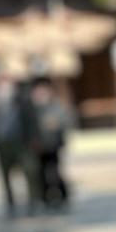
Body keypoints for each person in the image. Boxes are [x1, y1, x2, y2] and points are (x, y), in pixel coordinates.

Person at [0, 68, 40, 216]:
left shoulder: (22, 99)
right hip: (1, 142)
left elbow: (31, 119)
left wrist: (34, 138)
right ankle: (10, 203)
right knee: (5, 175)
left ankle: (33, 201)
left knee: (29, 171)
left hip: (21, 141)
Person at [29, 76, 74, 209]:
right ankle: (45, 198)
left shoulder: (55, 105)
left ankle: (62, 195)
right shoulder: (32, 107)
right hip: (38, 146)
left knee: (54, 172)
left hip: (53, 145)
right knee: (40, 173)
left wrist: (53, 124)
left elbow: (64, 121)